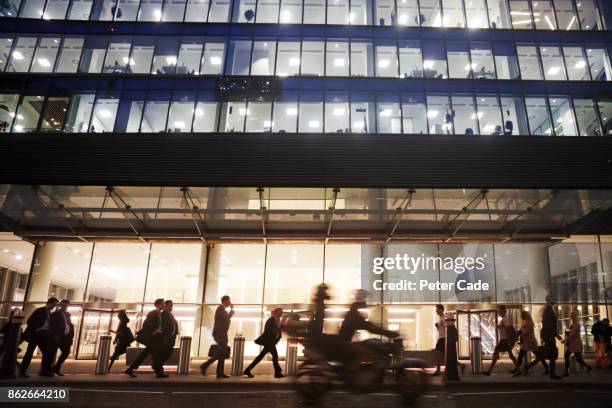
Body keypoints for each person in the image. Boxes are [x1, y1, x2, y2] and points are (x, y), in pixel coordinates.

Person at [124, 298, 168, 378]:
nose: (165, 305)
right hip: (153, 338)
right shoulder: (153, 313)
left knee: (150, 354)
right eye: (163, 303)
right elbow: (146, 325)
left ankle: (131, 369)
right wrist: (152, 332)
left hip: (157, 337)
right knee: (154, 355)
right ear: (158, 305)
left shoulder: (159, 314)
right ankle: (159, 372)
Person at [523, 296, 563, 379]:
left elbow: (548, 325)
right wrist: (556, 335)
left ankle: (529, 367)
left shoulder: (548, 310)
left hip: (548, 335)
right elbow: (549, 326)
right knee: (551, 355)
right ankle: (552, 374)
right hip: (549, 336)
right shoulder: (548, 311)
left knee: (547, 355)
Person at [20, 297, 59, 377]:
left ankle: (44, 371)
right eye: (54, 304)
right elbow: (30, 321)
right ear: (49, 303)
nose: (54, 306)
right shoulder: (40, 311)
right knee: (30, 353)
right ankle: (22, 371)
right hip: (36, 334)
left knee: (47, 352)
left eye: (55, 305)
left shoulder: (49, 313)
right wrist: (36, 329)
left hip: (44, 335)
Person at [244, 307, 284, 378]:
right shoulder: (271, 320)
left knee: (260, 357)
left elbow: (278, 331)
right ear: (276, 312)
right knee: (275, 356)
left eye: (282, 312)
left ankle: (247, 370)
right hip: (269, 342)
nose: (281, 313)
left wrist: (277, 339)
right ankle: (277, 373)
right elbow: (268, 331)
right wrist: (276, 331)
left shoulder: (277, 320)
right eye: (280, 312)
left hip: (271, 342)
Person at [200, 295, 234, 378]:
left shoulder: (222, 309)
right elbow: (227, 319)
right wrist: (232, 310)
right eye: (228, 301)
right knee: (220, 353)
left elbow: (226, 320)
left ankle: (220, 373)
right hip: (220, 334)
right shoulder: (220, 309)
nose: (229, 303)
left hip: (222, 334)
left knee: (222, 353)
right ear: (225, 301)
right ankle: (204, 365)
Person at [482, 305, 519, 375]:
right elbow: (506, 329)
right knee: (511, 355)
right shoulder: (504, 319)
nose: (498, 312)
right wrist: (500, 327)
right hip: (505, 340)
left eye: (499, 311)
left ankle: (489, 371)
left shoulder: (504, 320)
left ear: (503, 311)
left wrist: (508, 341)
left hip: (504, 340)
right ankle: (519, 370)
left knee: (496, 351)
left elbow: (508, 330)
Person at [433, 304, 465, 376]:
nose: (436, 311)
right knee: (445, 356)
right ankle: (460, 365)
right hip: (442, 338)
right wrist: (438, 326)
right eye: (436, 310)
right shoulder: (441, 318)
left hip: (443, 339)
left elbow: (448, 328)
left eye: (437, 309)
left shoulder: (443, 318)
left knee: (439, 354)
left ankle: (438, 371)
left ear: (441, 310)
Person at [49, 299, 74, 376]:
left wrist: (71, 336)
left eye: (66, 305)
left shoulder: (67, 314)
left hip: (66, 338)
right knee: (52, 354)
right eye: (63, 305)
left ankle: (56, 368)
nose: (65, 306)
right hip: (58, 337)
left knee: (66, 352)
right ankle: (49, 370)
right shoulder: (55, 314)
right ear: (60, 305)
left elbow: (69, 325)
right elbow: (53, 326)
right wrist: (55, 335)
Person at [563, 310, 592, 376]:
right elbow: (571, 333)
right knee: (576, 358)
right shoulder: (574, 324)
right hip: (573, 343)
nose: (571, 316)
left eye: (572, 315)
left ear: (575, 316)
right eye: (571, 315)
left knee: (574, 357)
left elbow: (573, 334)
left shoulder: (576, 324)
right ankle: (587, 367)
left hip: (575, 343)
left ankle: (566, 372)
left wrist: (566, 339)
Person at [512, 310, 540, 377]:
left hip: (530, 342)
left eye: (521, 315)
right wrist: (518, 333)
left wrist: (518, 333)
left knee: (539, 356)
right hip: (527, 342)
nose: (520, 316)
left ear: (524, 315)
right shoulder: (526, 322)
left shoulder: (528, 323)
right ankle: (518, 370)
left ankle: (524, 368)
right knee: (521, 356)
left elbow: (524, 332)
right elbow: (522, 331)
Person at [161, 300, 179, 365]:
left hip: (171, 337)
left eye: (172, 305)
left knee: (168, 352)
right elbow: (165, 326)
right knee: (167, 352)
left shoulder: (169, 314)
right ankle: (158, 365)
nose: (172, 307)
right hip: (168, 337)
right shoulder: (164, 314)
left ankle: (158, 366)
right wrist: (166, 337)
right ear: (166, 306)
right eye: (170, 305)